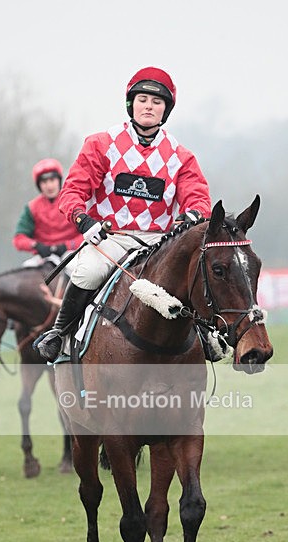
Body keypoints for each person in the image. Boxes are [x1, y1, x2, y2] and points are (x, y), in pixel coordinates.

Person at [35, 66, 212, 362]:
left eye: (157, 102)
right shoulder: (101, 144)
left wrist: (194, 214)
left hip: (160, 242)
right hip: (111, 238)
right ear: (131, 104)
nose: (149, 106)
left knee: (193, 273)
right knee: (88, 271)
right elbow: (73, 191)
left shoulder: (181, 156)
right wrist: (83, 220)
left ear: (165, 110)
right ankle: (60, 335)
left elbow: (198, 197)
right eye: (143, 100)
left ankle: (208, 335)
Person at [13, 158, 81, 263]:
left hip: (72, 254)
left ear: (59, 181)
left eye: (52, 180)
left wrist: (68, 245)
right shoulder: (31, 208)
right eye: (44, 182)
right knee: (27, 267)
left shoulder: (73, 202)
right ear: (39, 185)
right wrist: (35, 245)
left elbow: (88, 232)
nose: (49, 186)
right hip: (43, 257)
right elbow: (19, 239)